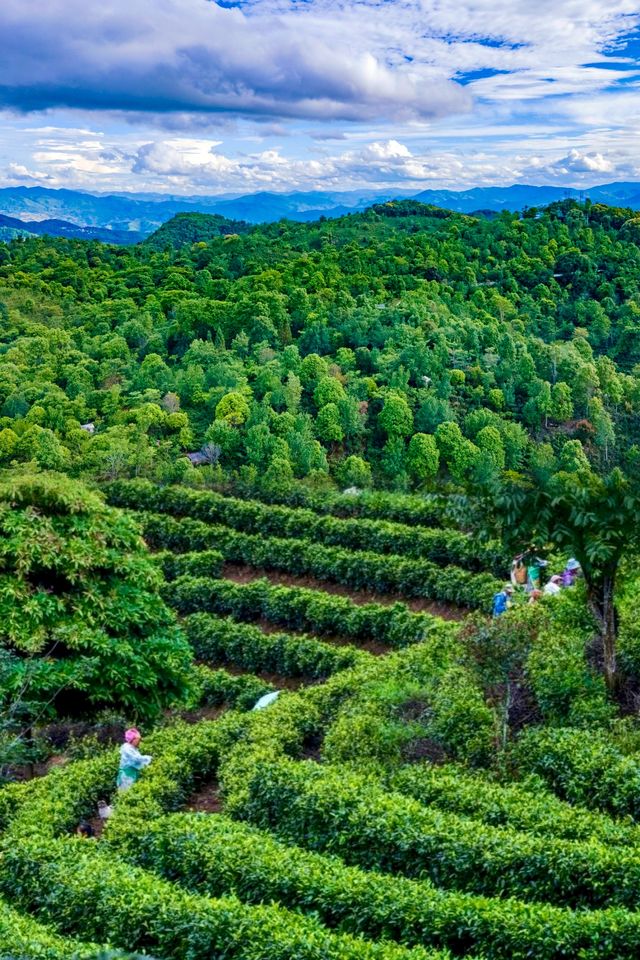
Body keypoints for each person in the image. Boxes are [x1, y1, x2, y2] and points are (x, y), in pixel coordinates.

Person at [116, 728, 152, 792]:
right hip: (126, 776)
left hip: (131, 775)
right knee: (125, 794)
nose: (139, 741)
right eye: (138, 739)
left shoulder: (133, 748)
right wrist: (148, 758)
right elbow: (136, 759)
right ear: (133, 739)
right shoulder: (127, 748)